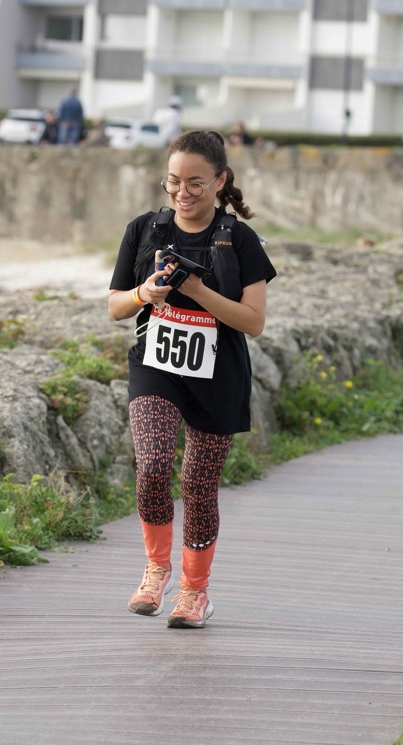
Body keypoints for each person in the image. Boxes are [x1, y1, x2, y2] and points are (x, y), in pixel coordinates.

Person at [107, 129, 277, 629]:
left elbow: (253, 322)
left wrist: (198, 291)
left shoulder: (240, 240)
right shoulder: (144, 229)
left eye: (196, 183)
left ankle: (195, 592)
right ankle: (156, 569)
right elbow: (115, 306)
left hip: (218, 374)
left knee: (199, 485)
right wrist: (145, 294)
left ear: (221, 181)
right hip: (156, 366)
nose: (182, 192)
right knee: (153, 464)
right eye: (173, 181)